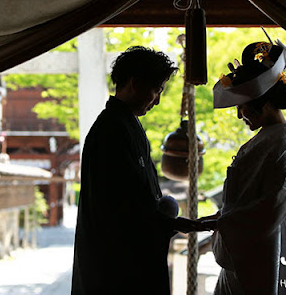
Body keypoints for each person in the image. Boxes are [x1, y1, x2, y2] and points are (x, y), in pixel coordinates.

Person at [71, 46, 202, 295]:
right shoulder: (111, 130)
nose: (158, 99)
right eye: (156, 90)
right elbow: (121, 206)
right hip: (116, 265)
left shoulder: (126, 124)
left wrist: (170, 221)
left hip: (128, 258)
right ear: (134, 83)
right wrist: (170, 222)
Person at [200, 38, 286, 295]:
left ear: (265, 103)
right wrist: (222, 220)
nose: (239, 114)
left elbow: (272, 207)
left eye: (242, 106)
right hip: (244, 258)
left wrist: (224, 222)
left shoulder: (284, 149)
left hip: (262, 260)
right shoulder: (270, 145)